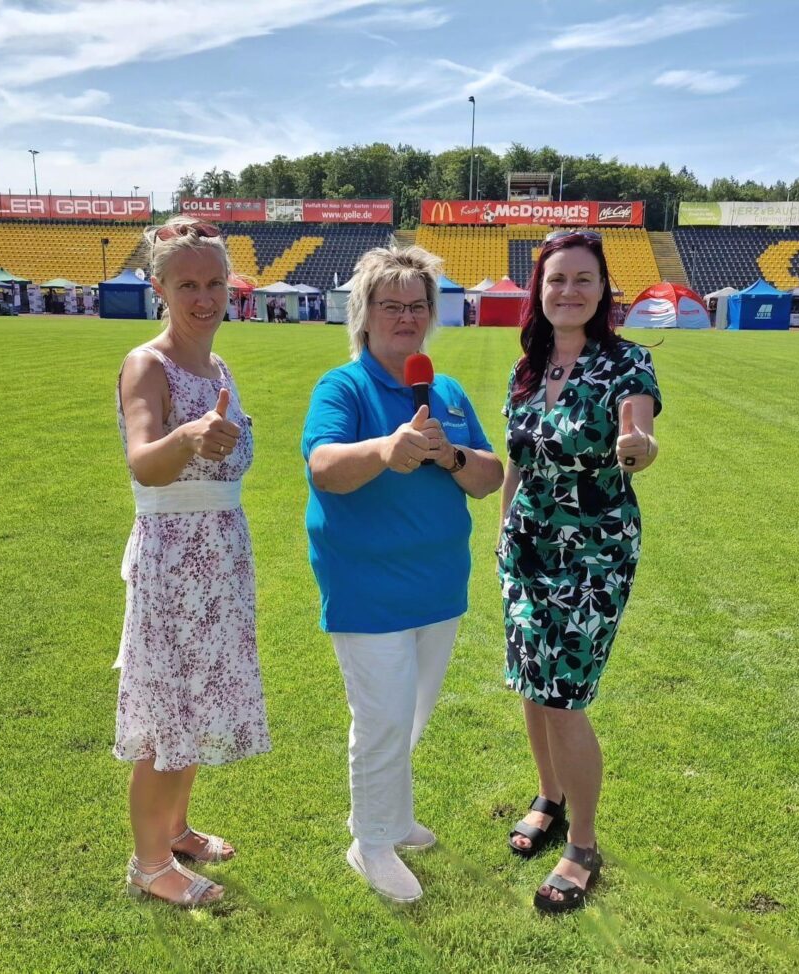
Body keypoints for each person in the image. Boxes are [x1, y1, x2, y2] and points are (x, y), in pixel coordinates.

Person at [302, 245, 504, 903]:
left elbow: (490, 477)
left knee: (409, 715)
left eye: (418, 306)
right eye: (391, 305)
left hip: (437, 585)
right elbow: (324, 466)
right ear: (365, 313)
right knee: (382, 716)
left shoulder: (442, 389)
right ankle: (371, 841)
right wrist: (385, 449)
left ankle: (391, 816)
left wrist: (452, 456)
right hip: (368, 587)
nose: (406, 317)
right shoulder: (344, 386)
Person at [497, 229, 662, 914]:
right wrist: (502, 530)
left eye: (583, 279)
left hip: (592, 553)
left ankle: (584, 845)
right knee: (532, 685)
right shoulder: (529, 366)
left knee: (563, 694)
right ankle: (550, 797)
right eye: (557, 278)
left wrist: (636, 445)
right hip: (527, 546)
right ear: (540, 288)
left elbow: (639, 433)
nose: (569, 290)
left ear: (602, 291)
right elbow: (518, 458)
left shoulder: (627, 365)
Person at [114, 215, 271, 907]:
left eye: (214, 283)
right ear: (160, 287)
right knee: (165, 710)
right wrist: (188, 435)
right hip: (174, 564)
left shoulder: (218, 365)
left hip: (220, 558)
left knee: (198, 697)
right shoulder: (148, 363)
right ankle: (149, 867)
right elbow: (145, 463)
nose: (204, 297)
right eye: (188, 285)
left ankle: (175, 830)